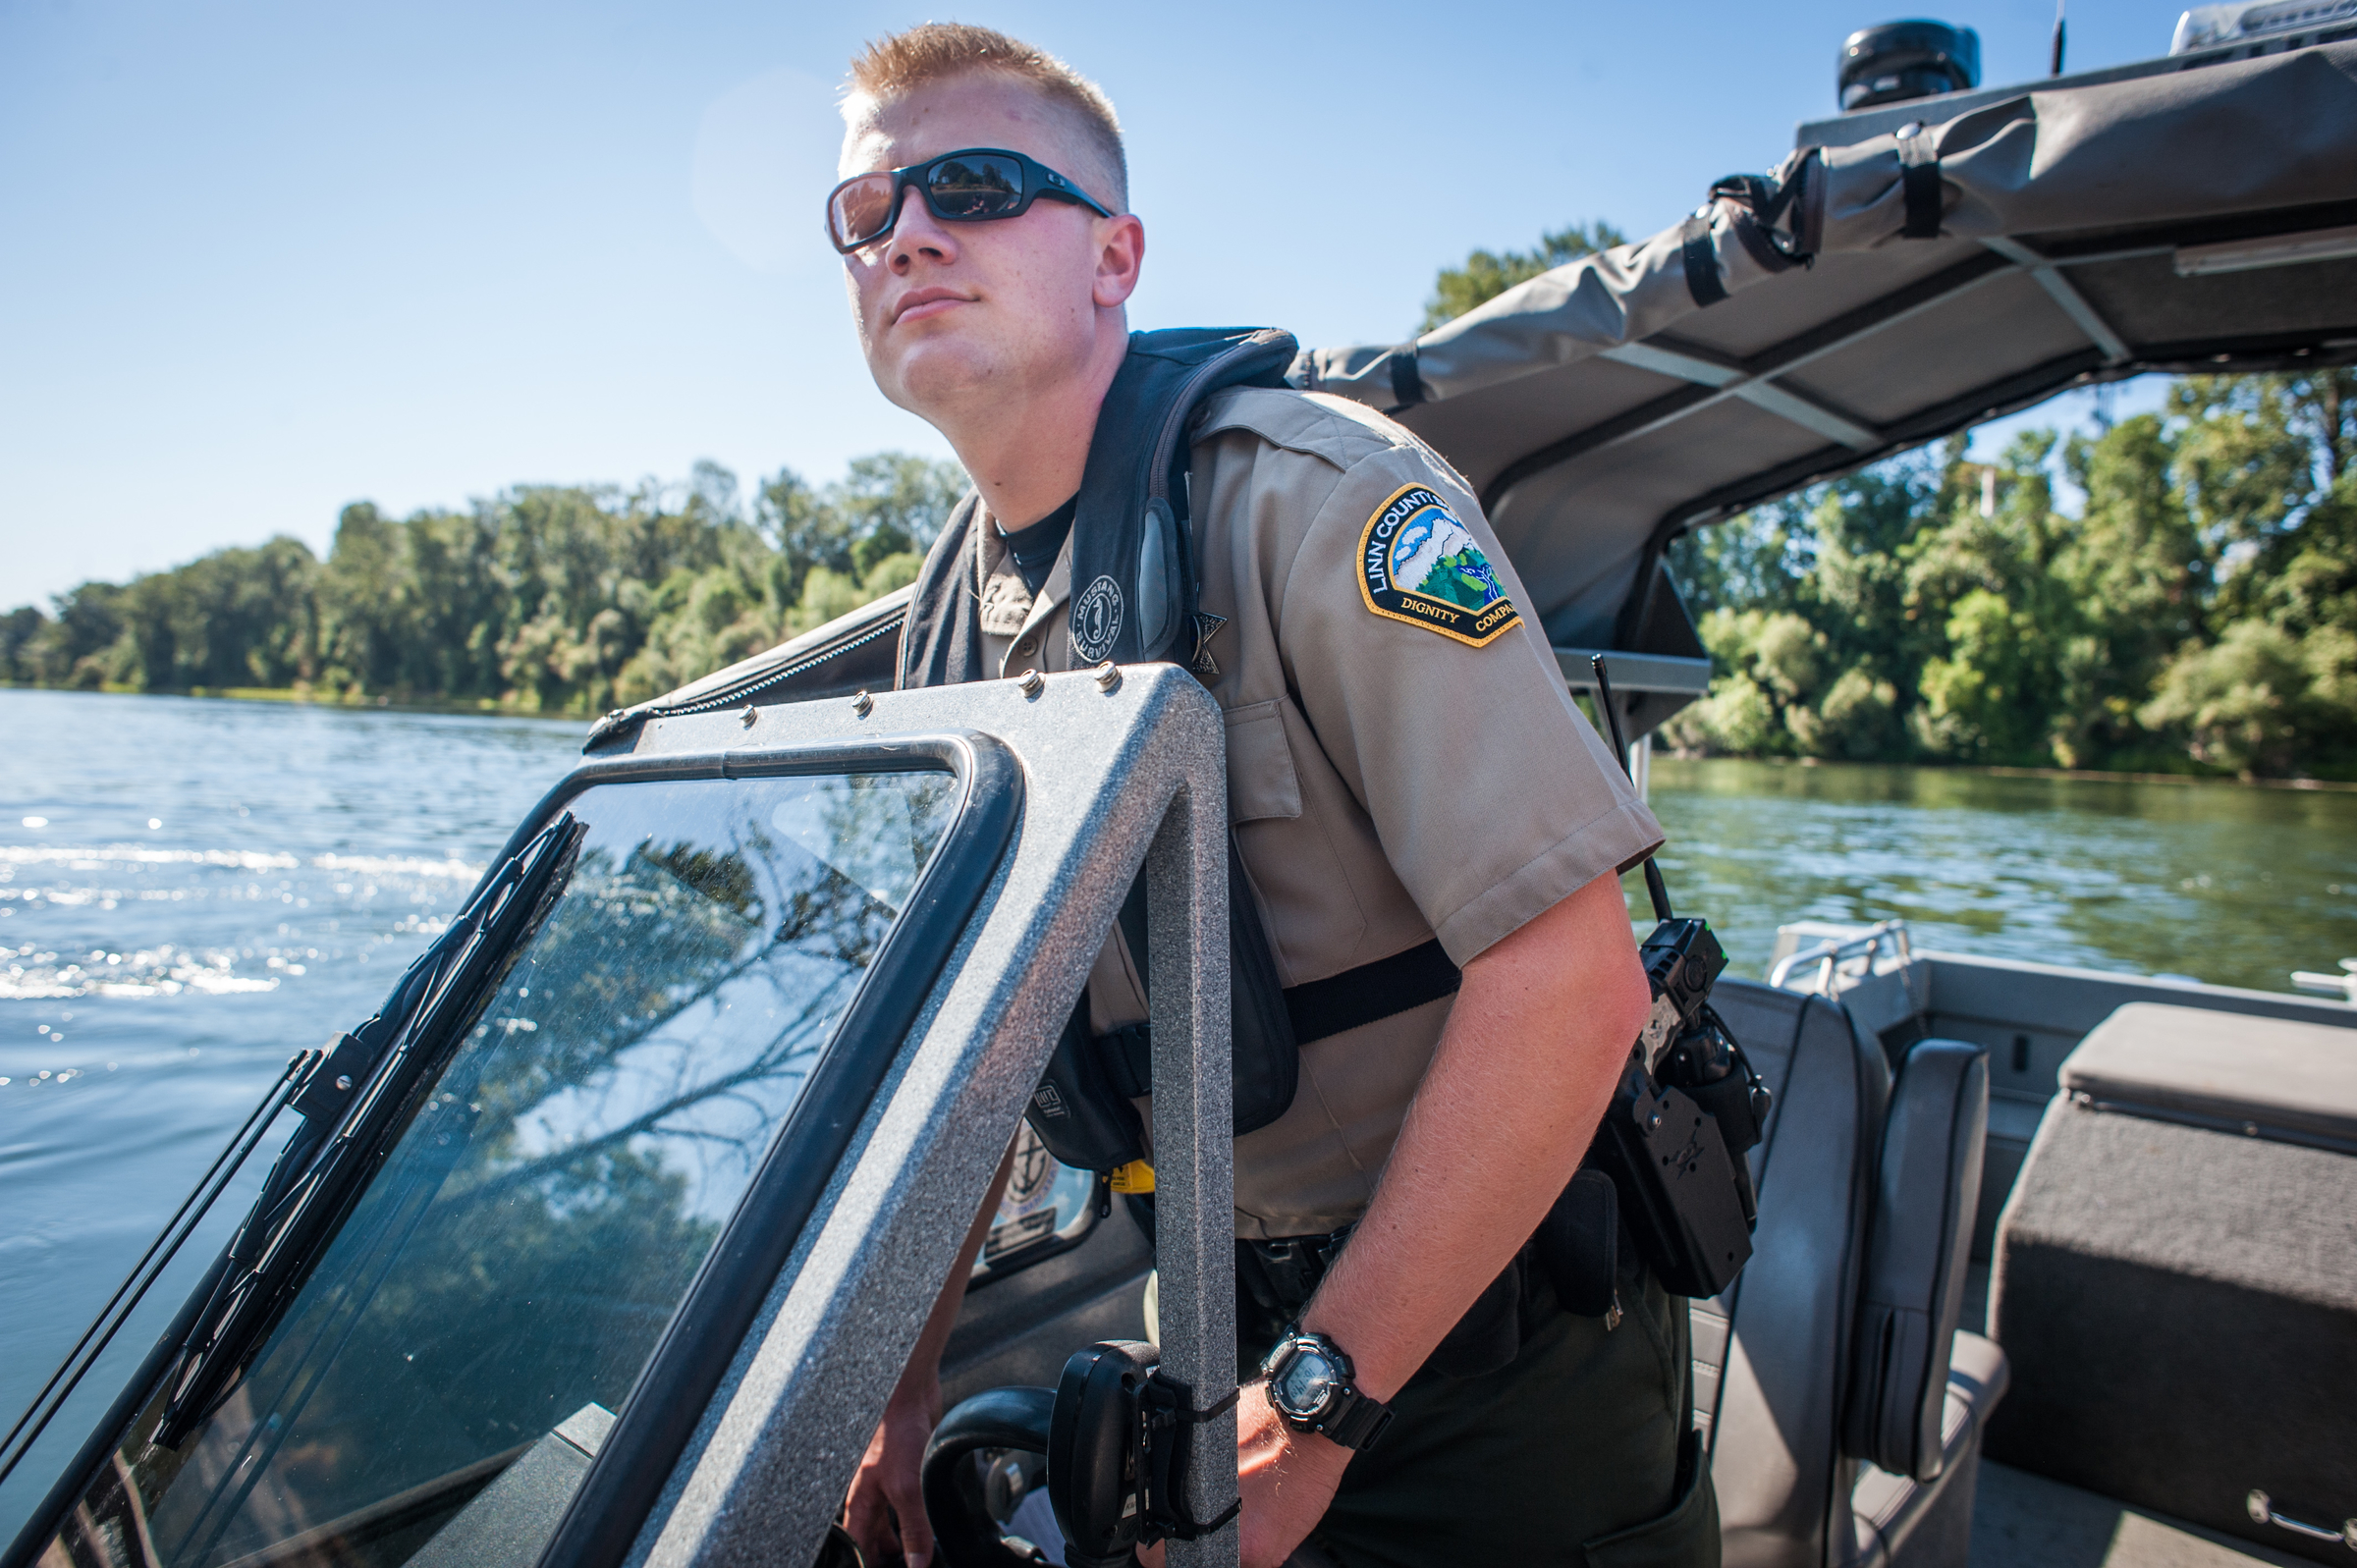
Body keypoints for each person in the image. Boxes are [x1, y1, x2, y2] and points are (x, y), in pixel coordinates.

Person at [825, 24, 1712, 1568]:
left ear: (1116, 257)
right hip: (1207, 1309)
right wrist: (896, 1373)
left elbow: (1572, 983)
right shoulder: (947, 630)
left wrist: (1312, 1411)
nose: (906, 234)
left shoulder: (1323, 503)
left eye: (969, 188)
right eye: (865, 211)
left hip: (1499, 1362)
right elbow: (975, 1050)